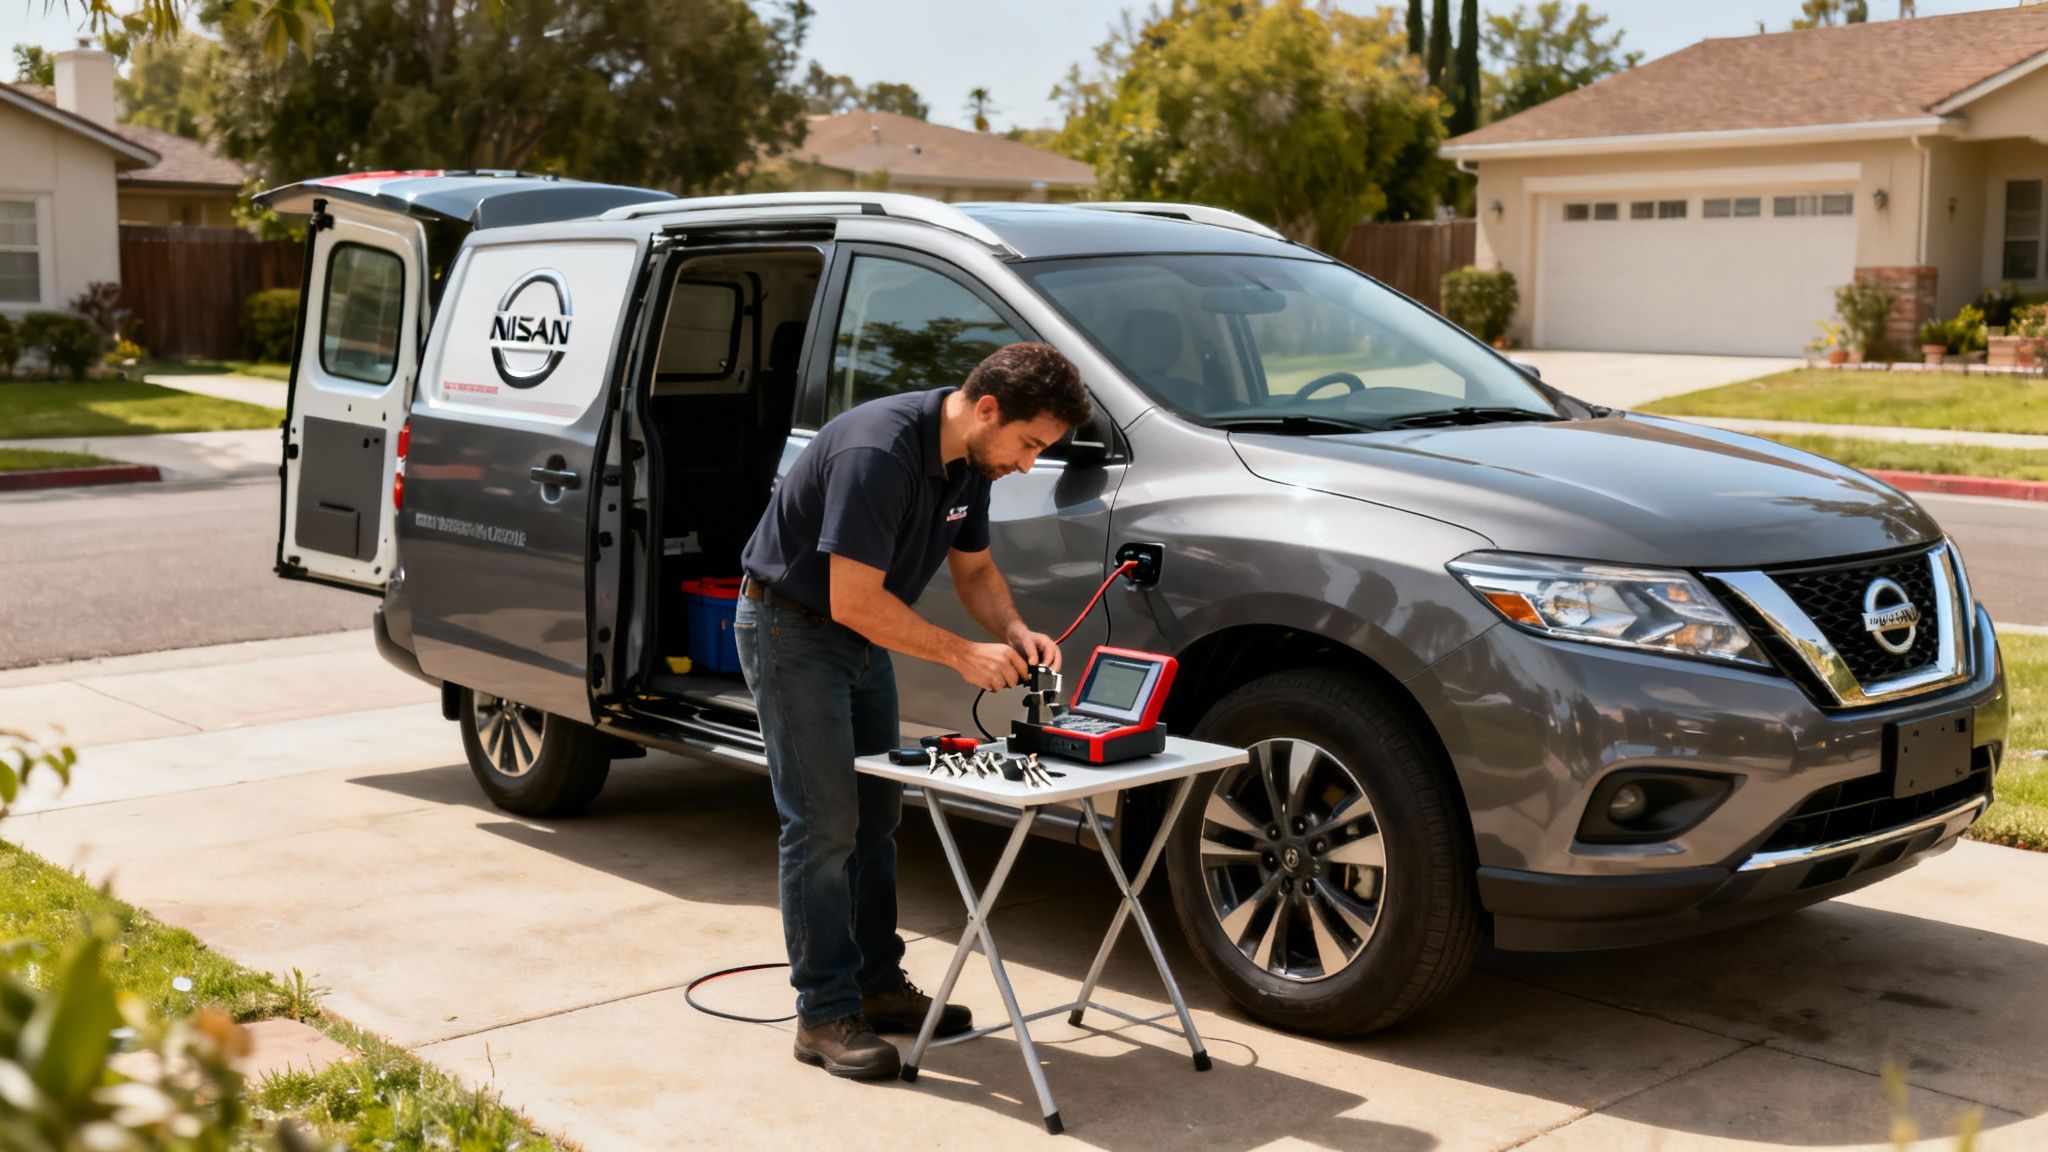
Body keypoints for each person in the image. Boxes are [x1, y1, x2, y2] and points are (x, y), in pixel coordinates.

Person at [734, 341, 1094, 1080]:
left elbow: (976, 568)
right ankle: (824, 1013)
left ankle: (874, 983)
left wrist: (1013, 632)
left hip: (860, 638)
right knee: (823, 823)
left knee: (879, 815)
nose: (1028, 463)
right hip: (793, 629)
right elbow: (851, 598)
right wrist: (963, 655)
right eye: (1029, 444)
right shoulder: (881, 451)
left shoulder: (971, 459)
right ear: (987, 408)